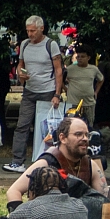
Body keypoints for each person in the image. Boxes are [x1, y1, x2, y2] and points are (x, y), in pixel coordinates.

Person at [6, 116, 104, 203]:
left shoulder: (89, 164)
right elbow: (14, 191)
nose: (85, 139)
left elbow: (104, 198)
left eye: (87, 135)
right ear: (63, 138)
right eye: (78, 134)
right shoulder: (46, 162)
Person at [9, 14, 65, 166]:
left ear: (42, 29)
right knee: (22, 126)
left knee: (46, 128)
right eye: (28, 31)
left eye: (33, 31)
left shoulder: (51, 44)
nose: (30, 34)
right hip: (29, 90)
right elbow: (20, 64)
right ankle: (17, 161)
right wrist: (20, 72)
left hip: (47, 90)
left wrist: (57, 94)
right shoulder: (25, 44)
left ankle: (48, 160)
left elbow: (58, 70)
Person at [62, 45, 102, 126]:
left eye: (83, 56)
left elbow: (101, 80)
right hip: (73, 103)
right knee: (71, 125)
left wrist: (96, 92)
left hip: (89, 103)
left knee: (89, 125)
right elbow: (60, 80)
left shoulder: (93, 69)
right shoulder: (70, 69)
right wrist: (66, 89)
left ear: (88, 58)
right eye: (78, 56)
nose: (80, 58)